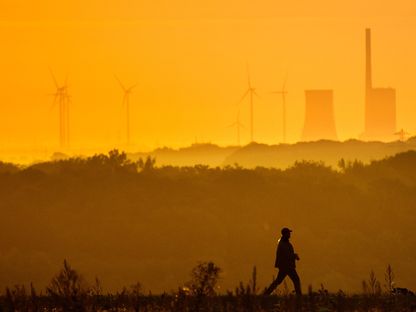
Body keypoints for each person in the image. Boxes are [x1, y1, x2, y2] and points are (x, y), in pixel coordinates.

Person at [264, 227, 302, 295]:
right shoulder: (283, 244)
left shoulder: (285, 243)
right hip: (287, 266)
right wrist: (294, 256)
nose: (290, 234)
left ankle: (266, 293)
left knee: (278, 281)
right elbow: (287, 255)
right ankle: (299, 296)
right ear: (285, 234)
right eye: (288, 233)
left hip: (286, 266)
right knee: (296, 279)